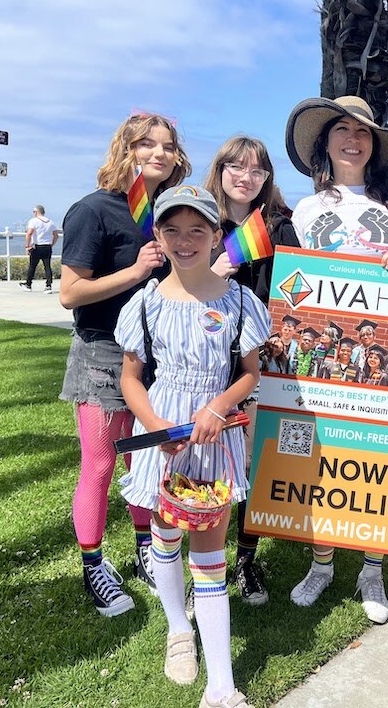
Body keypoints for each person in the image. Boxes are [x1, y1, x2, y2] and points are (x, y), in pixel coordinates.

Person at [115, 185, 269, 705]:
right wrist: (157, 425)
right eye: (172, 230)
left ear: (216, 236)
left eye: (197, 230)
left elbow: (250, 372)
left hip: (216, 435)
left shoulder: (241, 302)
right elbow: (131, 379)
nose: (185, 241)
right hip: (162, 439)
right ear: (158, 235)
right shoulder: (144, 305)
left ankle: (222, 686)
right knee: (164, 531)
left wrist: (216, 407)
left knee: (209, 547)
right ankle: (179, 628)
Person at [285, 93, 388, 623]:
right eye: (342, 128)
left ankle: (372, 568)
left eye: (363, 130)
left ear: (375, 145)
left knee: (380, 455)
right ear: (325, 142)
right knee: (324, 456)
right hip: (327, 350)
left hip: (383, 349)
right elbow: (302, 285)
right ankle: (321, 563)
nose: (352, 137)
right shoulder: (307, 209)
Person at [58, 112, 191, 617]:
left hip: (158, 358)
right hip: (104, 354)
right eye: (146, 144)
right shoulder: (93, 211)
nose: (159, 153)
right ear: (126, 148)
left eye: (168, 146)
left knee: (144, 461)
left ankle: (143, 551)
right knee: (100, 464)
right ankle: (93, 566)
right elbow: (70, 293)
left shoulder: (165, 213)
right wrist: (135, 269)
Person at [202, 135, 301, 607]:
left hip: (258, 364)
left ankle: (245, 558)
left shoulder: (278, 226)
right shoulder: (200, 221)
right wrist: (213, 271)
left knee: (253, 464)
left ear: (267, 179)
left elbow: (301, 288)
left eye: (257, 170)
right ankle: (204, 561)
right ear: (220, 170)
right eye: (237, 167)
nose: (246, 177)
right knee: (206, 463)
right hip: (205, 364)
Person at [20, 204, 60, 293]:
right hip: (47, 246)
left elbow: (29, 233)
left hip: (37, 246)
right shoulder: (51, 222)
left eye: (34, 211)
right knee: (47, 267)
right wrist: (51, 244)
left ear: (37, 212)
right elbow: (56, 235)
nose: (33, 213)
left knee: (32, 266)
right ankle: (48, 286)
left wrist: (27, 246)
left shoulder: (33, 221)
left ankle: (28, 284)